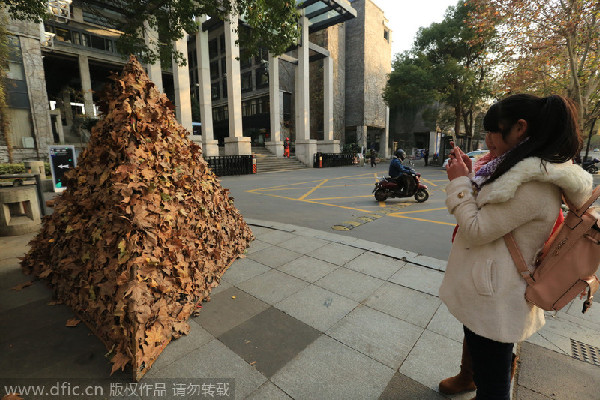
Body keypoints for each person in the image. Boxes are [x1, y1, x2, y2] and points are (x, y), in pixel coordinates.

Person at [441, 94, 591, 400]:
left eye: (494, 130)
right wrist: (469, 177)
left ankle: (475, 380)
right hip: (489, 286)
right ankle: (468, 377)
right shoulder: (518, 168)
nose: (488, 139)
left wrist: (458, 184)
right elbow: (492, 211)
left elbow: (478, 228)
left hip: (497, 294)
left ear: (519, 128)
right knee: (481, 345)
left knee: (494, 381)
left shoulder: (531, 183)